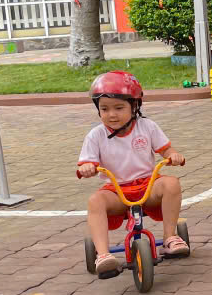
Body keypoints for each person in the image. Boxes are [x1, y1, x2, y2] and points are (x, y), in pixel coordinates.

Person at [77, 71, 187, 277]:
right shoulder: (96, 135)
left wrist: (173, 155)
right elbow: (87, 161)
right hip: (117, 191)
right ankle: (103, 255)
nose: (111, 114)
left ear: (135, 106)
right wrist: (87, 167)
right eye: (104, 109)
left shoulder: (147, 127)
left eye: (119, 108)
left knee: (171, 183)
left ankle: (170, 237)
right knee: (95, 201)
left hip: (148, 185)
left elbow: (166, 149)